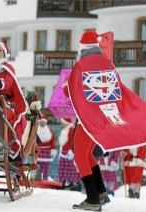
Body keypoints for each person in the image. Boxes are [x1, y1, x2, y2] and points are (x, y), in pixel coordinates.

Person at [63, 31, 111, 211]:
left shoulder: (83, 65)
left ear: (82, 47)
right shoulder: (105, 64)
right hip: (100, 116)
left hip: (86, 117)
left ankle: (92, 200)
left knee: (80, 156)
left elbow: (72, 91)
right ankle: (100, 193)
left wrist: (65, 86)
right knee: (88, 155)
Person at [57, 118, 81, 190]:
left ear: (66, 122)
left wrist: (70, 150)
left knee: (70, 169)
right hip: (64, 152)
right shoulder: (65, 129)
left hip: (68, 152)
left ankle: (73, 183)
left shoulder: (70, 130)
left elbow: (72, 141)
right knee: (64, 169)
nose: (62, 123)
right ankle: (64, 182)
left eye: (63, 122)